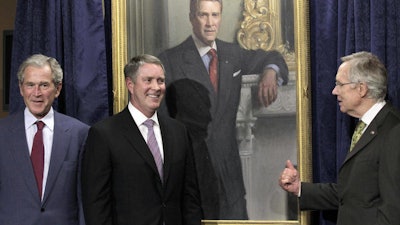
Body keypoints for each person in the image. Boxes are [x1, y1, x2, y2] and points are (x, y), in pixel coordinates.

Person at [157, 0, 289, 220]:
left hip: (230, 179)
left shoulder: (232, 54)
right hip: (190, 178)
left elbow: (273, 56)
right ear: (191, 18)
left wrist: (270, 72)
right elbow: (162, 123)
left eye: (215, 15)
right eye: (203, 15)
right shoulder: (170, 60)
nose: (210, 23)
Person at [279, 51, 400, 225]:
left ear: (361, 88)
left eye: (340, 84)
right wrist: (300, 188)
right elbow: (352, 195)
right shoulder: (366, 127)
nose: (334, 91)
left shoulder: (394, 131)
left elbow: (393, 212)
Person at [81, 54, 202, 225]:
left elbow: (190, 197)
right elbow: (96, 205)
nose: (156, 87)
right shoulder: (104, 134)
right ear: (130, 84)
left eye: (160, 80)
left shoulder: (178, 131)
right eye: (148, 80)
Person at [0, 54, 89, 225]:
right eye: (30, 85)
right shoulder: (2, 133)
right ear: (20, 88)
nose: (36, 93)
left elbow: (83, 199)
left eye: (44, 85)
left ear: (57, 89)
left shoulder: (80, 134)